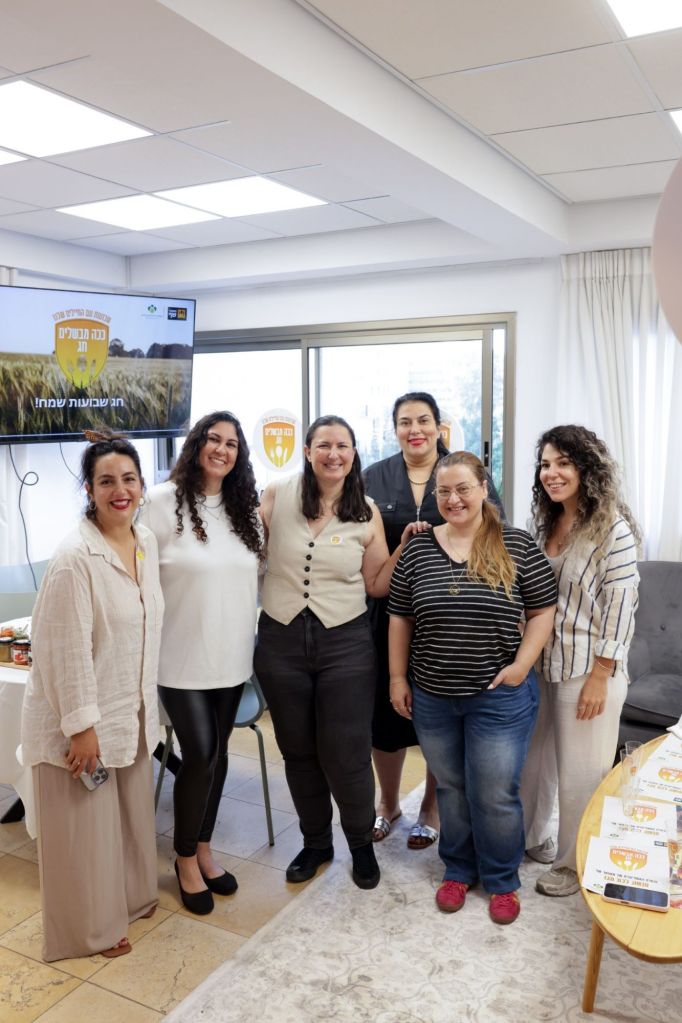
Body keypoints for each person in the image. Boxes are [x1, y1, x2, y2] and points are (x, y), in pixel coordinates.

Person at [254, 414, 427, 890]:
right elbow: (251, 550)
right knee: (297, 751)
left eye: (343, 446)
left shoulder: (365, 510)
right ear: (307, 451)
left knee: (347, 752)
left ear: (353, 454)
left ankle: (360, 845)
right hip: (281, 641)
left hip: (345, 645)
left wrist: (403, 548)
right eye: (324, 445)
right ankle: (316, 843)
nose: (334, 454)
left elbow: (376, 584)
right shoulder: (277, 495)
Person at [388, 451, 557, 924]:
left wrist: (522, 665)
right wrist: (397, 678)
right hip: (433, 696)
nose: (454, 499)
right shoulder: (418, 549)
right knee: (452, 787)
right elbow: (400, 617)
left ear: (484, 489)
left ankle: (501, 879)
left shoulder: (516, 544)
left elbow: (543, 610)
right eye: (444, 491)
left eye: (463, 488)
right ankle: (459, 869)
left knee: (495, 792)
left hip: (499, 696)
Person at [21, 430, 162, 961]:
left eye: (128, 479)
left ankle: (128, 901)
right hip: (80, 719)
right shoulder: (73, 558)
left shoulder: (144, 542)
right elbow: (63, 650)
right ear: (89, 489)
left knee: (125, 821)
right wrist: (81, 727)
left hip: (129, 705)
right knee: (85, 834)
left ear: (142, 485)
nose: (119, 491)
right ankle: (90, 931)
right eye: (106, 482)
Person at [363, 392, 504, 848]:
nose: (415, 430)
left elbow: (494, 534)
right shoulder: (374, 477)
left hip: (451, 619)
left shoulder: (463, 470)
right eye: (405, 422)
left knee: (440, 722)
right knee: (386, 718)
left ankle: (431, 806)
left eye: (423, 420)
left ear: (438, 425)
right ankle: (387, 803)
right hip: (389, 616)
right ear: (395, 429)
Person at [141, 412, 262, 915]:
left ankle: (204, 849)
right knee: (201, 753)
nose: (222, 449)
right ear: (196, 445)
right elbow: (137, 575)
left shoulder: (245, 509)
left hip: (231, 655)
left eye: (232, 443)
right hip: (178, 655)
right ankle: (185, 858)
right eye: (213, 439)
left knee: (219, 754)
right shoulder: (160, 501)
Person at [521, 425, 640, 897]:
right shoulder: (543, 524)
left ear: (587, 468)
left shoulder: (613, 529)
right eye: (545, 464)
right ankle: (533, 839)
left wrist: (601, 676)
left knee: (581, 775)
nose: (551, 473)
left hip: (589, 670)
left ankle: (574, 862)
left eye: (563, 463)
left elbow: (621, 606)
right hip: (540, 665)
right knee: (533, 763)